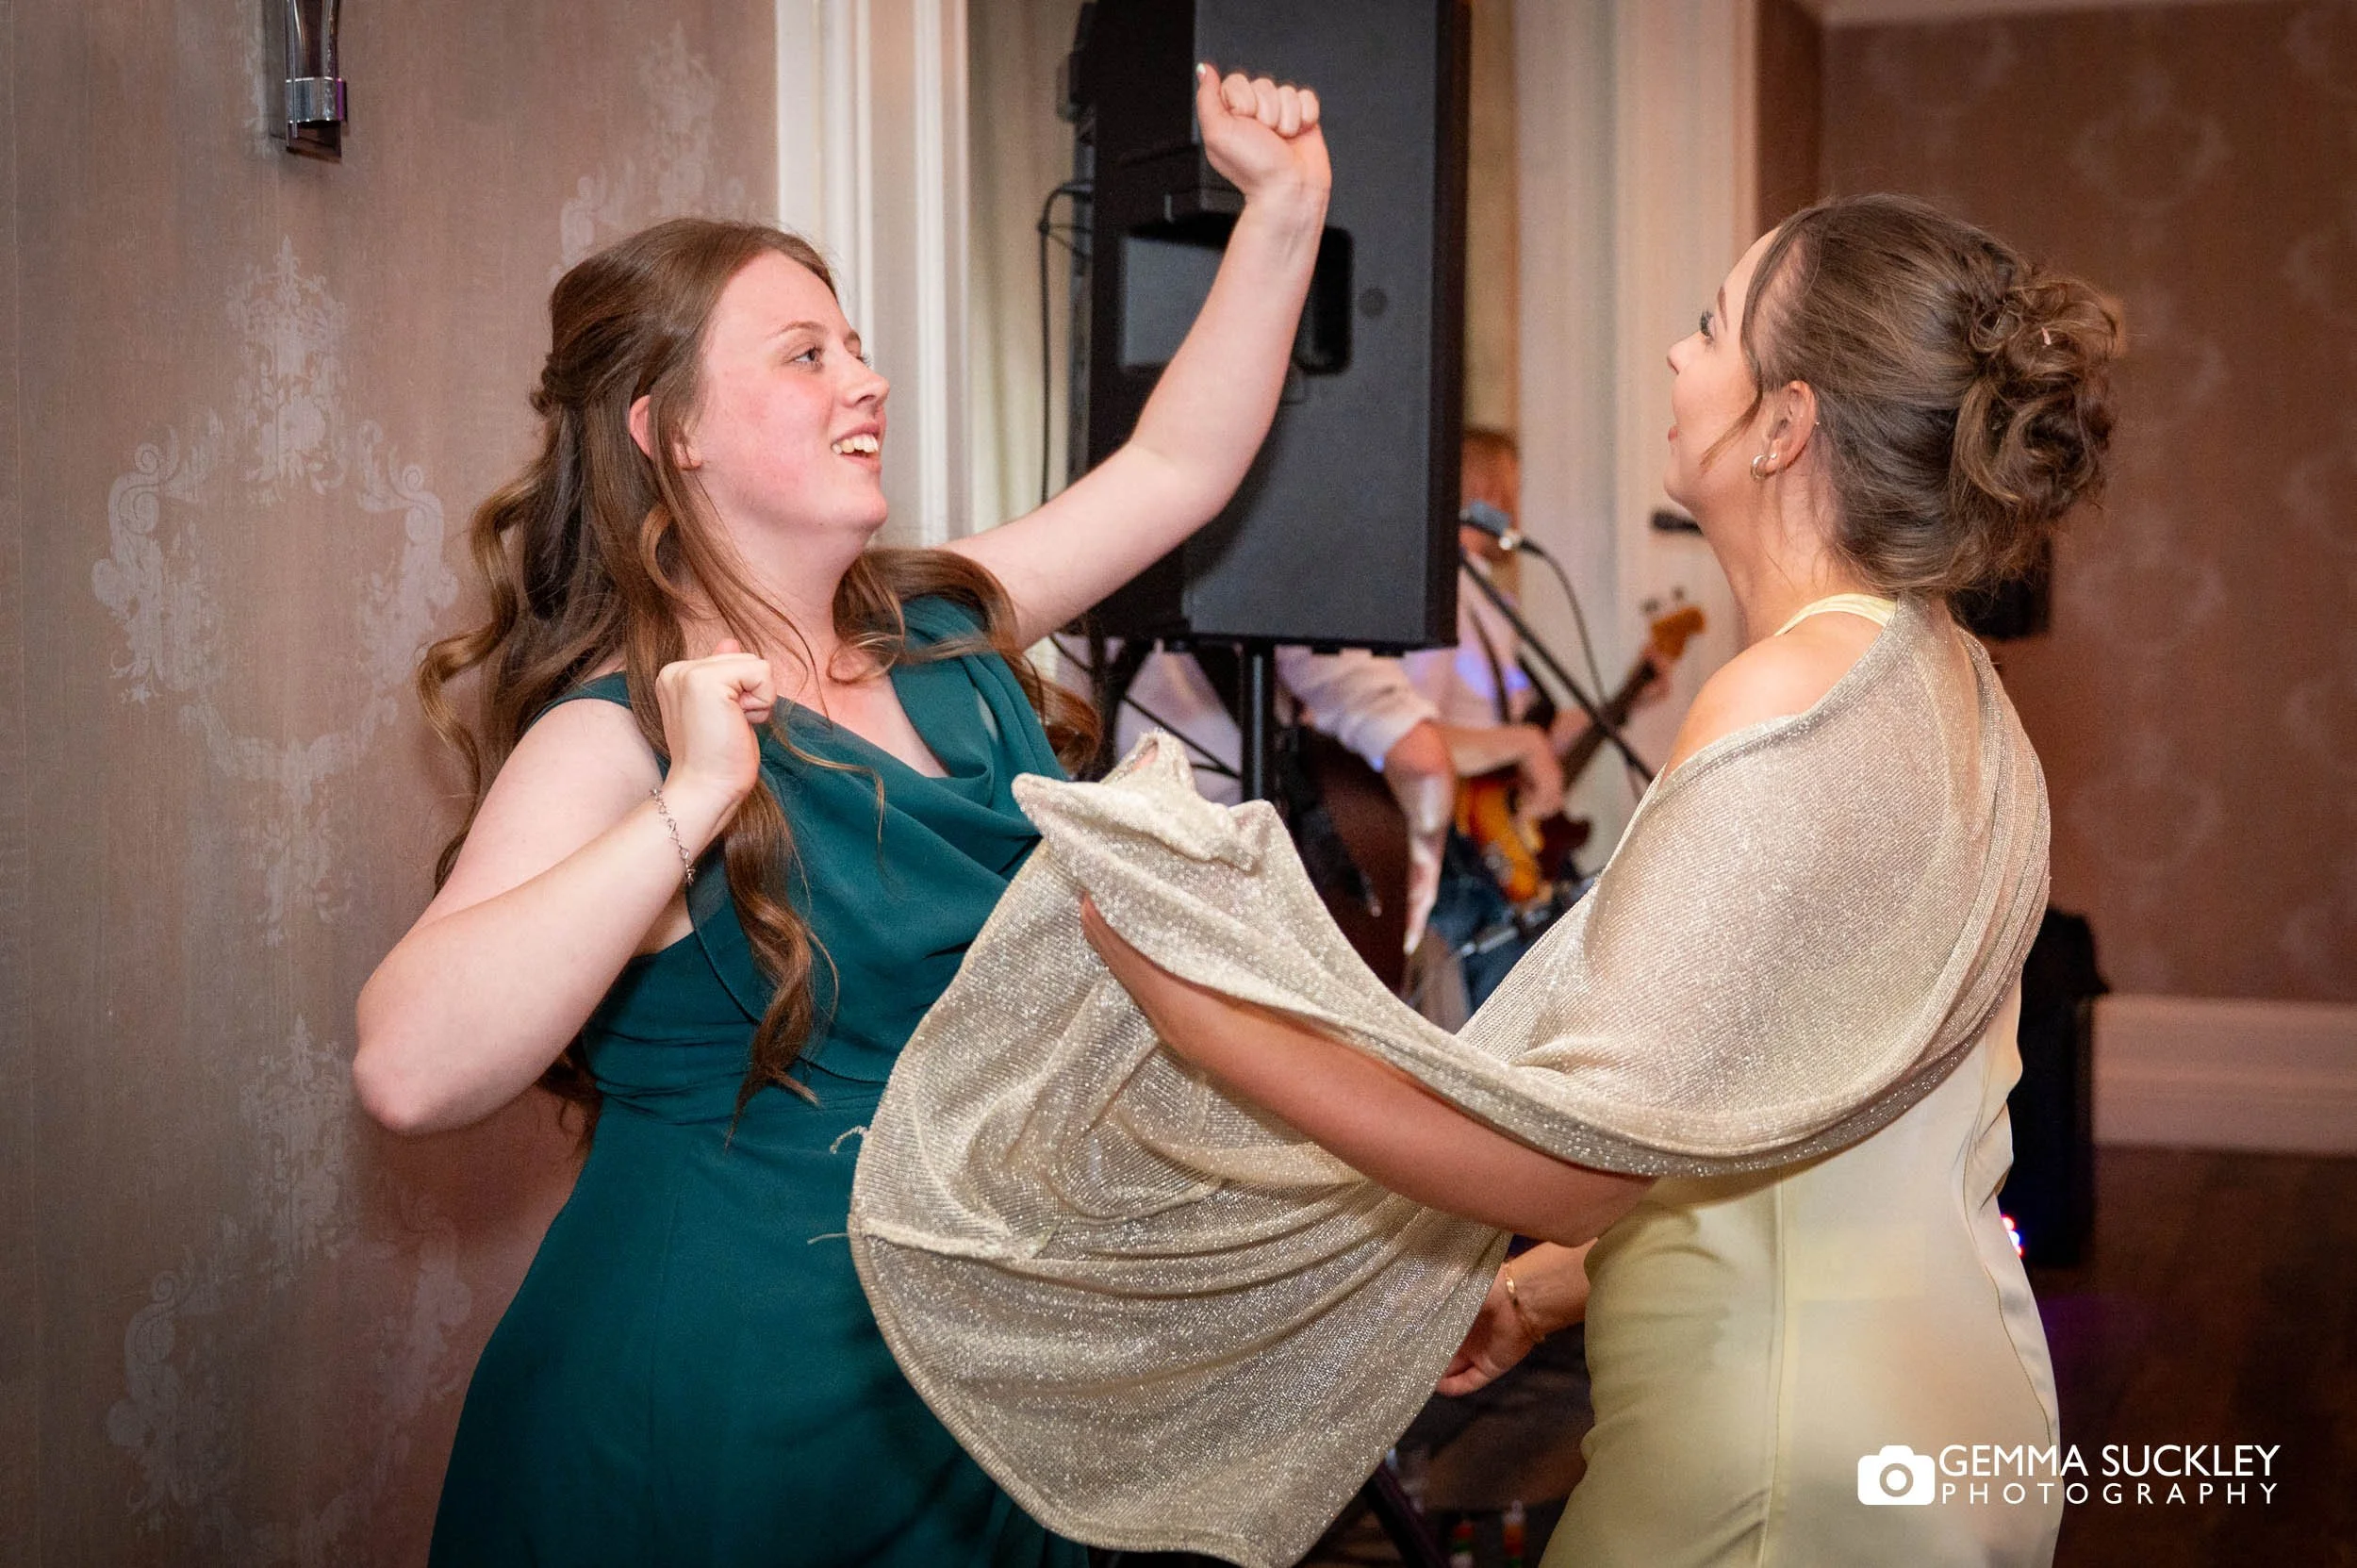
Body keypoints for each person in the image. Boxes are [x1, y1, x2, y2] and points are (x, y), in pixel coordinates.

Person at [351, 63, 1329, 1566]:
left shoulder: (946, 635)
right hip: (713, 1414)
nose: (864, 382)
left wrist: (1287, 204)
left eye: (857, 348)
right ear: (667, 429)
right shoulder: (618, 733)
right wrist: (688, 802)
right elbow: (409, 1067)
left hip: (969, 1388)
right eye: (805, 355)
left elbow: (1178, 464)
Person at [1079, 193, 2117, 1565]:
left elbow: (1566, 1160)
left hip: (1776, 1457)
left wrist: (1204, 1010)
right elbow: (1802, 1104)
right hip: (1960, 1402)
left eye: (1710, 327)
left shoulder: (1779, 703)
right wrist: (1551, 1288)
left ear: (1786, 424)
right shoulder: (1958, 688)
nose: (1679, 360)